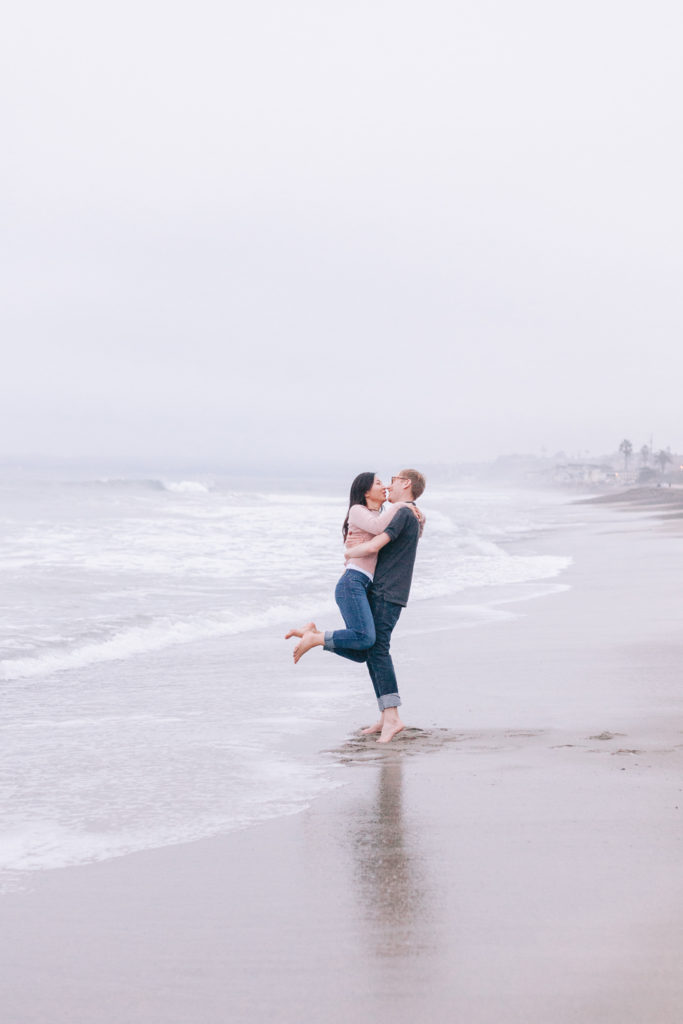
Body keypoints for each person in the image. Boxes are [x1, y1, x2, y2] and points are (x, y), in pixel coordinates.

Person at [288, 468, 426, 744]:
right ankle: (387, 717)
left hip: (387, 590)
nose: (388, 485)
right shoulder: (400, 512)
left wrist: (351, 551)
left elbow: (377, 542)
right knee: (371, 649)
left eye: (394, 480)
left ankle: (392, 717)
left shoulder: (403, 512)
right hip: (376, 588)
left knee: (374, 647)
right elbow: (380, 532)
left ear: (406, 484)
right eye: (380, 483)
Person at [285, 472, 415, 664]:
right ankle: (315, 638)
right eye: (378, 483)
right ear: (366, 491)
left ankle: (315, 635)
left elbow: (402, 537)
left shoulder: (381, 514)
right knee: (365, 637)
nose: (385, 487)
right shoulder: (357, 510)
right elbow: (378, 527)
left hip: (364, 585)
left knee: (362, 651)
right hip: (352, 582)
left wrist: (414, 514)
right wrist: (404, 506)